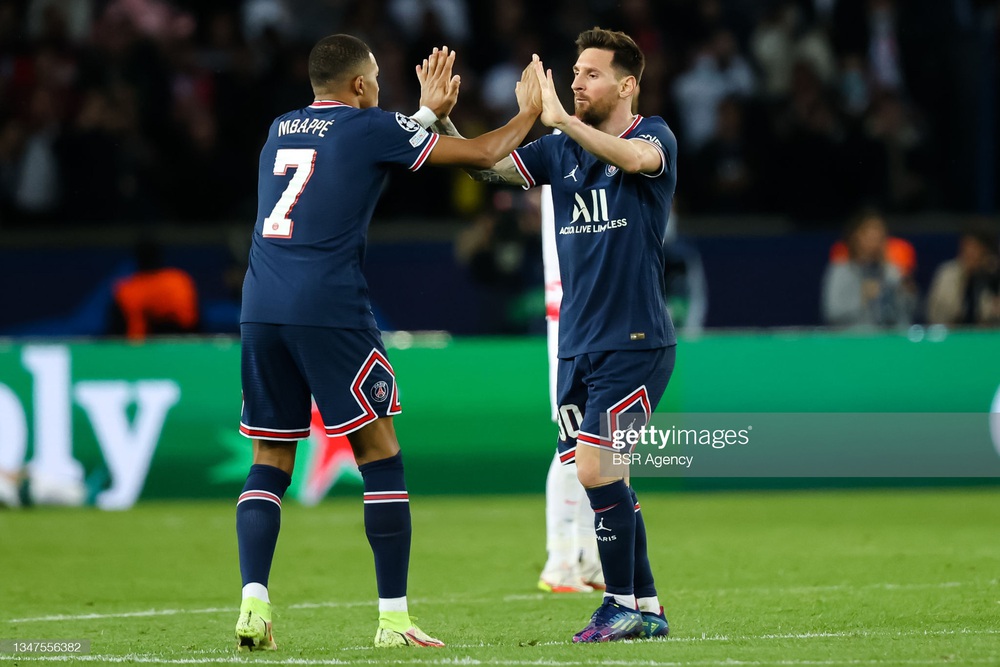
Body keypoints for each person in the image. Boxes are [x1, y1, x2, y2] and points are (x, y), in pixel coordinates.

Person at [234, 35, 541, 651]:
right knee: (380, 455)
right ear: (358, 85)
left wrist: (424, 113)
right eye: (375, 78)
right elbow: (484, 152)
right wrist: (531, 111)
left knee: (270, 459)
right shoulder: (370, 126)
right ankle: (394, 621)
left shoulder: (280, 128)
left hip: (261, 306)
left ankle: (253, 603)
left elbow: (352, 151)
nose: (379, 88)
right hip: (329, 307)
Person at [431, 27, 677, 642]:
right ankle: (647, 608)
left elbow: (635, 161)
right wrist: (444, 119)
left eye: (591, 73)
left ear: (627, 84)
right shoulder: (558, 151)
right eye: (573, 72)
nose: (576, 82)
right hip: (577, 344)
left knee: (595, 470)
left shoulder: (653, 136)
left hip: (635, 340)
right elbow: (487, 169)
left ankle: (618, 603)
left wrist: (562, 118)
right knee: (606, 474)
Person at [821, 209, 917, 328]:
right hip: (852, 337)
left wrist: (907, 294)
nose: (874, 240)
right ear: (855, 237)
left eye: (879, 234)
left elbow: (907, 315)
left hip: (889, 337)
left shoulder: (893, 271)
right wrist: (861, 298)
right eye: (869, 235)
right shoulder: (841, 271)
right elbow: (832, 313)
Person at [109, 239, 200, 339]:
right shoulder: (178, 279)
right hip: (150, 342)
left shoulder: (177, 280)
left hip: (181, 340)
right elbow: (135, 332)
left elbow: (189, 321)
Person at [926, 228, 1000, 326]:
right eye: (966, 247)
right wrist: (964, 278)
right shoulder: (947, 273)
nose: (970, 253)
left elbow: (990, 314)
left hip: (984, 332)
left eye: (975, 248)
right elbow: (935, 314)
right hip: (951, 331)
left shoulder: (991, 275)